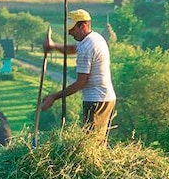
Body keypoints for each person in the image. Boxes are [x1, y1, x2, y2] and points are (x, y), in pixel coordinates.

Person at [39, 9, 116, 141]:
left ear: (83, 26)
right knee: (95, 141)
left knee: (91, 144)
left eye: (72, 29)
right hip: (104, 98)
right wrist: (53, 46)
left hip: (96, 101)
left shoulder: (87, 48)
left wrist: (54, 97)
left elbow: (81, 83)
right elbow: (73, 49)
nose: (69, 33)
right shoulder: (94, 38)